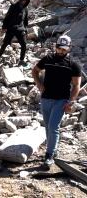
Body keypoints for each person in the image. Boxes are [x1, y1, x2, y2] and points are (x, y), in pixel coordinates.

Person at [32, 35, 81, 166]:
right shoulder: (47, 59)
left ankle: (49, 155)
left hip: (61, 100)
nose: (61, 51)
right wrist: (39, 85)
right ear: (56, 47)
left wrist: (70, 102)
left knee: (54, 127)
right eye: (59, 48)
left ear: (69, 49)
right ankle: (53, 150)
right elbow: (35, 71)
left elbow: (76, 85)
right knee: (48, 127)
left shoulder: (73, 65)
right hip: (46, 98)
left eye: (64, 49)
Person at [0, 0, 30, 66]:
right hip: (11, 28)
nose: (24, 2)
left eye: (26, 0)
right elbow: (7, 17)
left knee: (24, 44)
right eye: (24, 0)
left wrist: (26, 30)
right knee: (5, 43)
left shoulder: (25, 9)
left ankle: (21, 60)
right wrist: (4, 27)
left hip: (20, 29)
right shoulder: (13, 6)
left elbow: (26, 20)